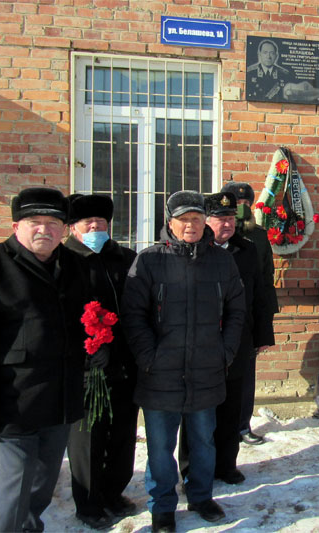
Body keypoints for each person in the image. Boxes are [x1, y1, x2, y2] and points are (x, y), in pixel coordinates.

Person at [0, 187, 93, 532]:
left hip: (60, 399)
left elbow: (85, 319)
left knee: (42, 485)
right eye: (35, 222)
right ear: (16, 226)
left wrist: (96, 347)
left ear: (64, 229)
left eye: (53, 222)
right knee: (14, 489)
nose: (44, 229)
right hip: (12, 401)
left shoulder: (76, 265)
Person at [121, 191, 246, 532]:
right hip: (160, 373)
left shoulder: (222, 261)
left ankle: (201, 496)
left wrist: (225, 351)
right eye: (183, 219)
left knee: (204, 441)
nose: (190, 225)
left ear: (204, 220)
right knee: (161, 447)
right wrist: (149, 356)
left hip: (207, 367)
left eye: (195, 218)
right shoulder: (148, 260)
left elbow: (237, 310)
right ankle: (162, 506)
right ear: (170, 222)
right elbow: (133, 315)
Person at [179, 192, 274, 486]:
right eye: (221, 219)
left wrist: (262, 334)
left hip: (238, 340)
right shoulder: (194, 249)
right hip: (202, 342)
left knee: (232, 405)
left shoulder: (246, 250)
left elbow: (259, 292)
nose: (228, 224)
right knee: (197, 409)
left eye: (231, 218)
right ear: (207, 221)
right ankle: (191, 468)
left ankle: (226, 464)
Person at [64, 194, 139, 529]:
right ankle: (90, 503)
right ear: (73, 227)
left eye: (101, 223)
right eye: (87, 223)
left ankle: (114, 492)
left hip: (123, 362)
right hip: (85, 367)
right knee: (88, 436)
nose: (95, 228)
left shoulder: (124, 257)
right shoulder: (63, 260)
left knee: (122, 431)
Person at [220, 181, 279, 446]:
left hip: (249, 316)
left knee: (245, 375)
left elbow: (266, 279)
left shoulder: (259, 236)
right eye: (236, 203)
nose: (241, 208)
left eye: (246, 204)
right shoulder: (216, 236)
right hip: (219, 318)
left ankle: (243, 425)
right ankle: (219, 427)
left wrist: (266, 320)